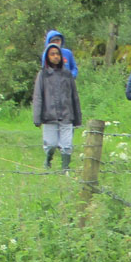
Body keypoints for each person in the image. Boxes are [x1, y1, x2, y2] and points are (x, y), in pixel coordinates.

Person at [31, 43, 81, 173]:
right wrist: (37, 117)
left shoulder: (67, 74)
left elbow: (74, 96)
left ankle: (65, 168)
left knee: (67, 145)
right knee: (51, 144)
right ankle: (48, 159)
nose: (55, 57)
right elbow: (38, 97)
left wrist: (77, 118)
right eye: (52, 54)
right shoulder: (42, 75)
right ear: (47, 57)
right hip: (49, 116)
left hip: (66, 115)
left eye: (57, 54)